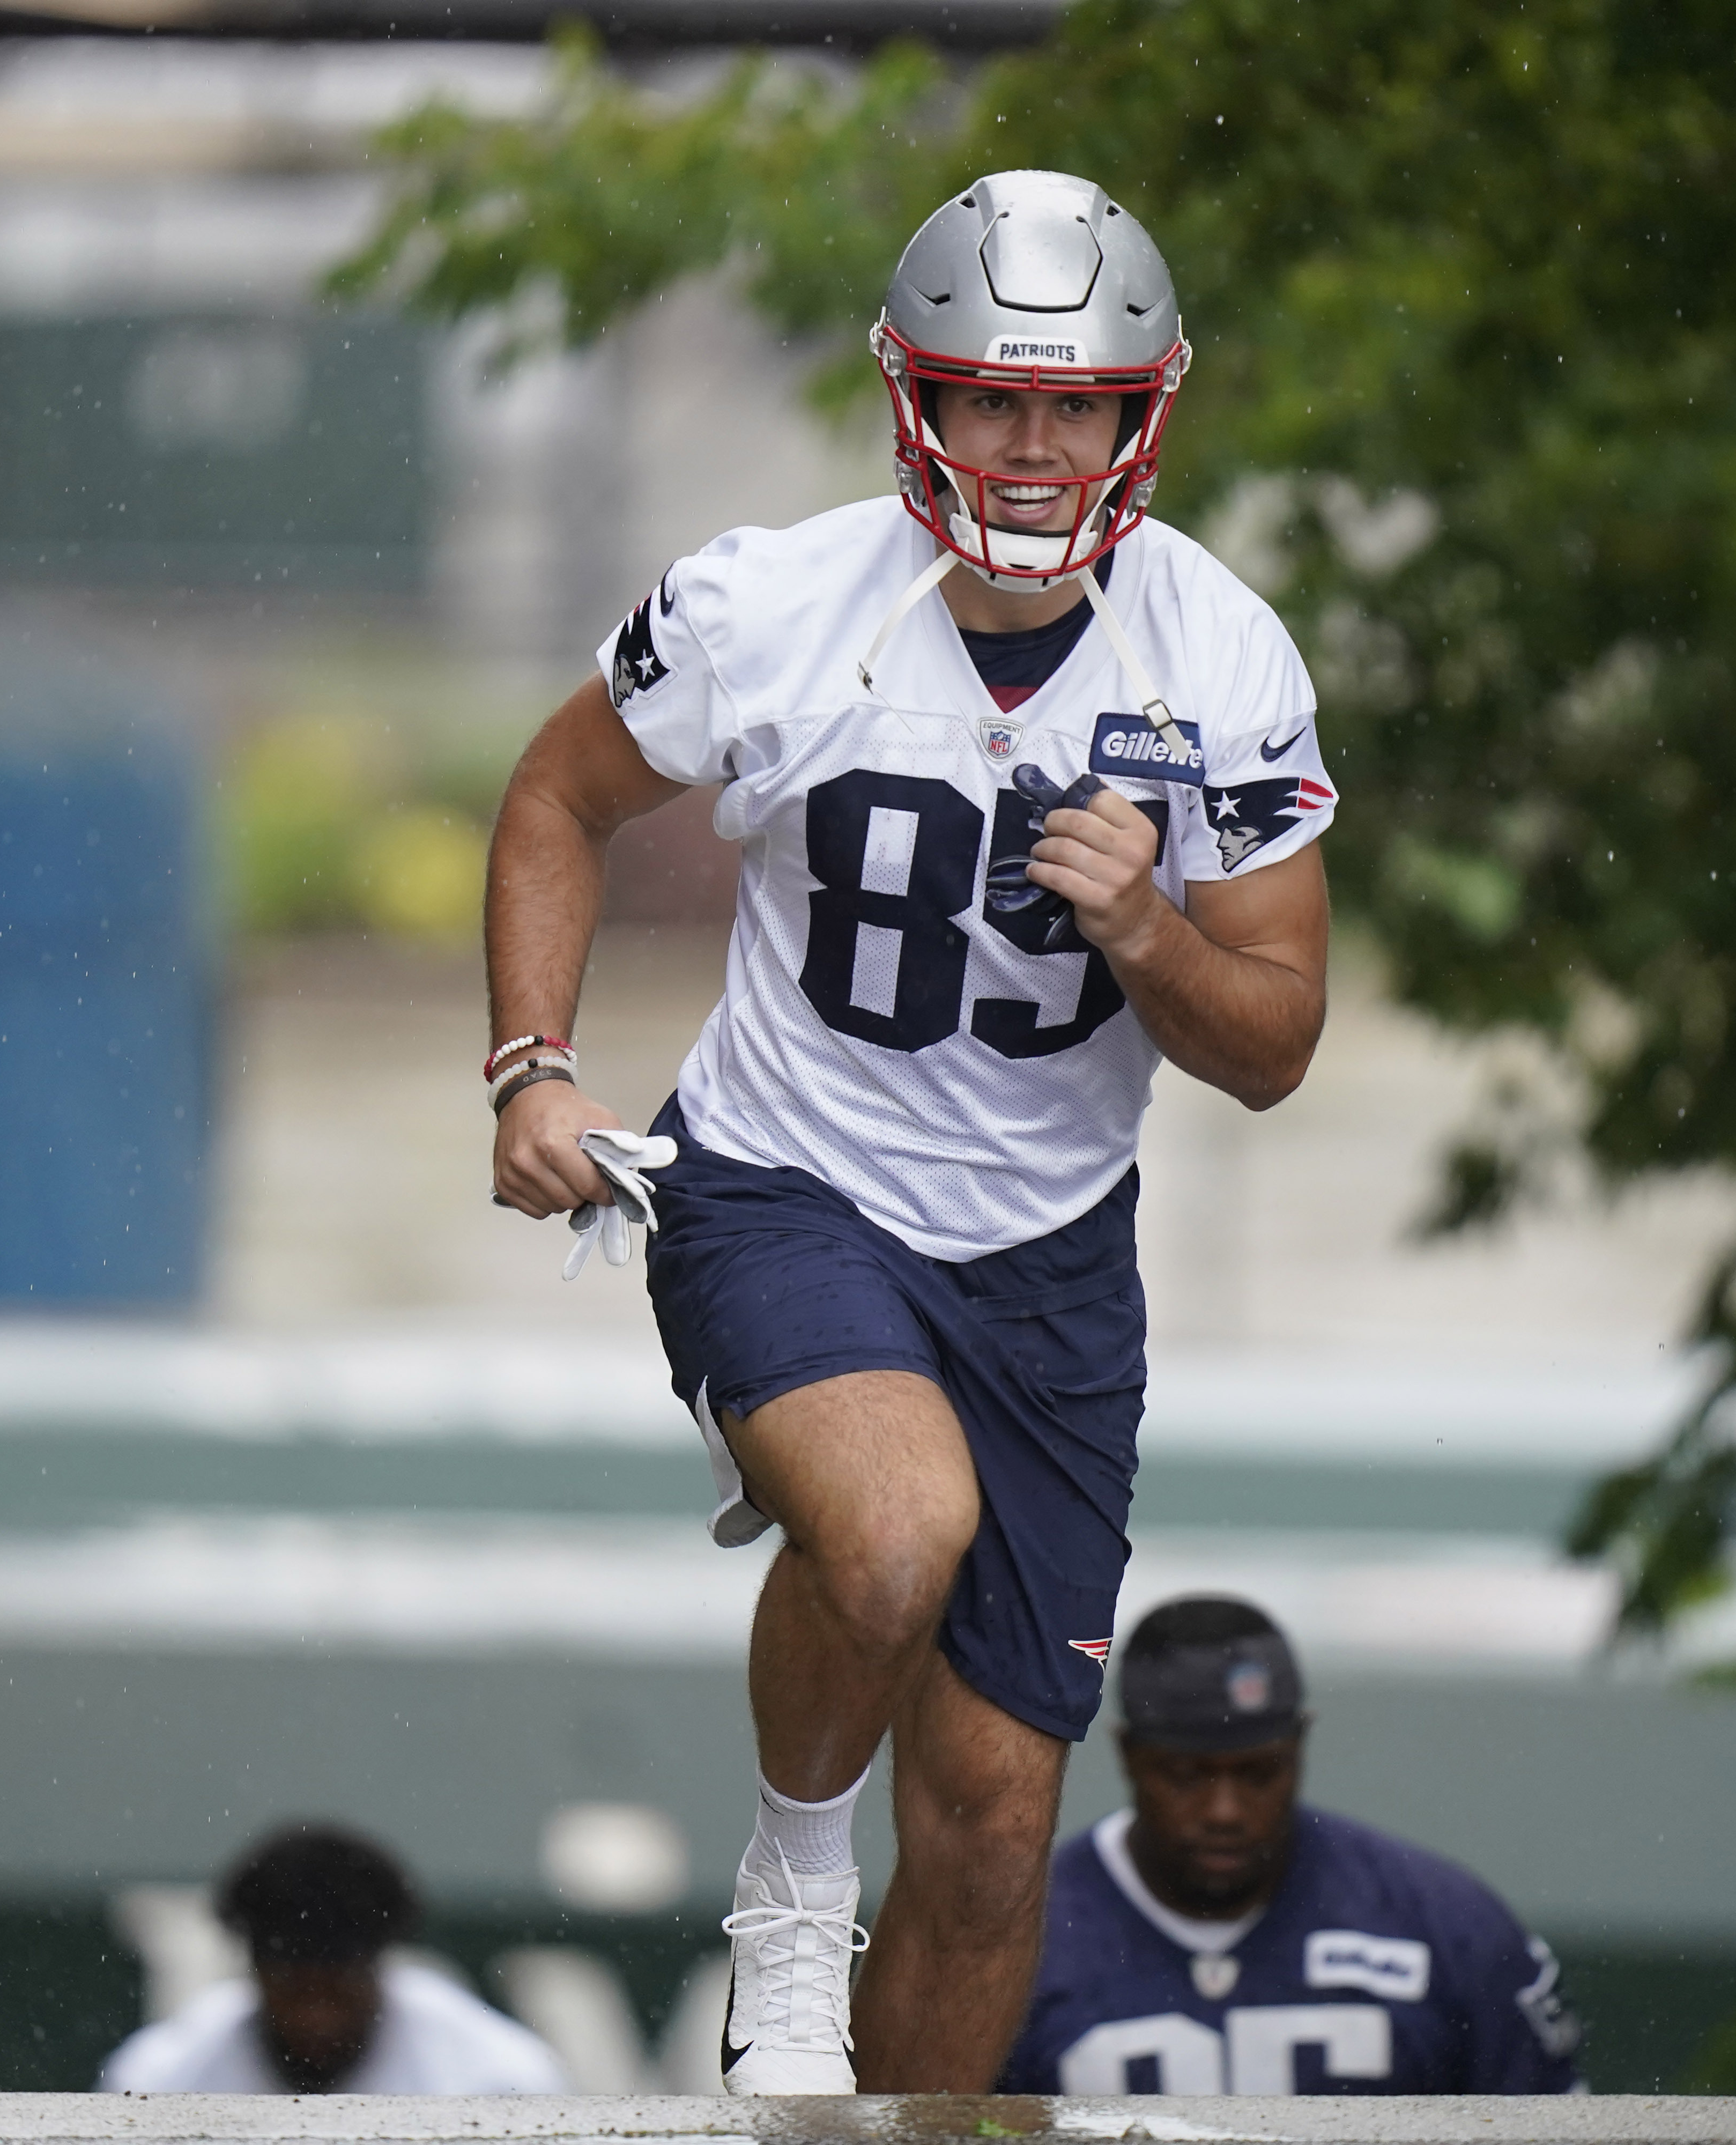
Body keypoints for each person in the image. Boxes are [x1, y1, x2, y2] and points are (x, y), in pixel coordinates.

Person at [483, 171, 1335, 2094]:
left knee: (989, 1827)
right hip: (789, 1180)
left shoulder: (1220, 656)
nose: (1031, 446)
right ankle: (788, 1876)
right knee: (891, 1530)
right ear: (912, 399)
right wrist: (530, 1060)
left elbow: (1277, 1041)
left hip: (1048, 1253)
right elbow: (555, 797)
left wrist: (1143, 925)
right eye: (990, 398)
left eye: (1075, 404)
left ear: (1144, 411)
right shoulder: (765, 603)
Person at [996, 1595, 1584, 2095]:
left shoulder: (1447, 1928)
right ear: (1129, 1755)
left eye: (1259, 1773)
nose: (1224, 1812)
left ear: (1300, 1745)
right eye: (1186, 1775)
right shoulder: (1018, 1943)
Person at [99, 1823, 566, 2095]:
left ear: (380, 1972)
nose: (316, 2017)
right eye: (293, 1989)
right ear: (256, 1975)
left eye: (340, 1990)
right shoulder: (159, 2083)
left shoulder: (499, 2082)